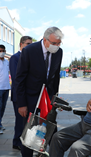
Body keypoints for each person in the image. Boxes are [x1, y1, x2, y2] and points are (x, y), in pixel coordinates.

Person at [15, 27, 64, 157]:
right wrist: (21, 104)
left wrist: (55, 99)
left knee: (51, 132)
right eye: (54, 43)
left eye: (59, 43)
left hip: (48, 100)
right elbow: (19, 78)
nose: (56, 46)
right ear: (45, 40)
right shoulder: (29, 51)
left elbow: (55, 77)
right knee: (30, 134)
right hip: (31, 98)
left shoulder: (59, 52)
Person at [9, 36, 33, 150]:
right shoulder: (15, 57)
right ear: (21, 44)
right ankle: (16, 142)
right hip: (19, 95)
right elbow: (15, 77)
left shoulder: (29, 57)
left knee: (26, 121)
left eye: (31, 44)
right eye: (28, 44)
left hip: (28, 94)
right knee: (20, 120)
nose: (30, 46)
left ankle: (23, 141)